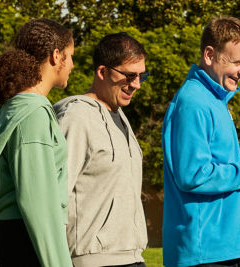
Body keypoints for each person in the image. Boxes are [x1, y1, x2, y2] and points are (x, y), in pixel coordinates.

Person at [162, 16, 240, 267]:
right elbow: (192, 175)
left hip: (233, 248)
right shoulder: (193, 103)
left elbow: (220, 171)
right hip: (206, 253)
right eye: (239, 62)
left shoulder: (216, 101)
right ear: (210, 55)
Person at [0, 18, 74, 267]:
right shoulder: (33, 113)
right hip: (27, 236)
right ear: (56, 56)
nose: (72, 64)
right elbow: (37, 199)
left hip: (14, 233)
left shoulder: (14, 106)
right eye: (70, 56)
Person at [54, 32, 149, 267]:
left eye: (141, 76)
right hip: (93, 260)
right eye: (129, 76)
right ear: (102, 72)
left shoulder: (120, 115)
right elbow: (55, 197)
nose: (136, 84)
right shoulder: (75, 117)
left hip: (132, 257)